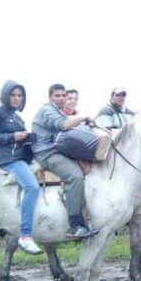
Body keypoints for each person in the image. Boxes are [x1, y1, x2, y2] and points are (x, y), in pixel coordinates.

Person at [0, 81, 43, 254]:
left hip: (21, 157)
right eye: (13, 95)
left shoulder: (18, 117)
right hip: (9, 159)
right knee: (32, 187)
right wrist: (12, 136)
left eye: (19, 95)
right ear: (6, 95)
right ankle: (25, 235)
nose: (16, 98)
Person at [32, 84, 97, 239]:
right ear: (50, 97)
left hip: (57, 149)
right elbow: (64, 125)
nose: (61, 99)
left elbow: (70, 128)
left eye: (63, 96)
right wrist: (83, 117)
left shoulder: (55, 110)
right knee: (75, 176)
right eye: (57, 96)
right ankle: (75, 225)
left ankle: (90, 216)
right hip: (46, 153)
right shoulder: (47, 110)